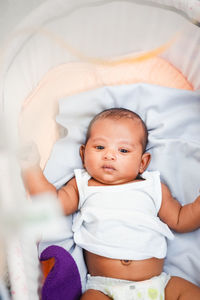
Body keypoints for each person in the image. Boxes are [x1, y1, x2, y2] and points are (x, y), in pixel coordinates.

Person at [21, 108, 200, 300]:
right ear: (83, 154)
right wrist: (31, 168)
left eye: (123, 150)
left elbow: (181, 219)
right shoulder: (82, 185)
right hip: (104, 289)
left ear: (142, 162)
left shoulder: (153, 187)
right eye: (99, 147)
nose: (109, 155)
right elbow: (53, 204)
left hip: (159, 285)